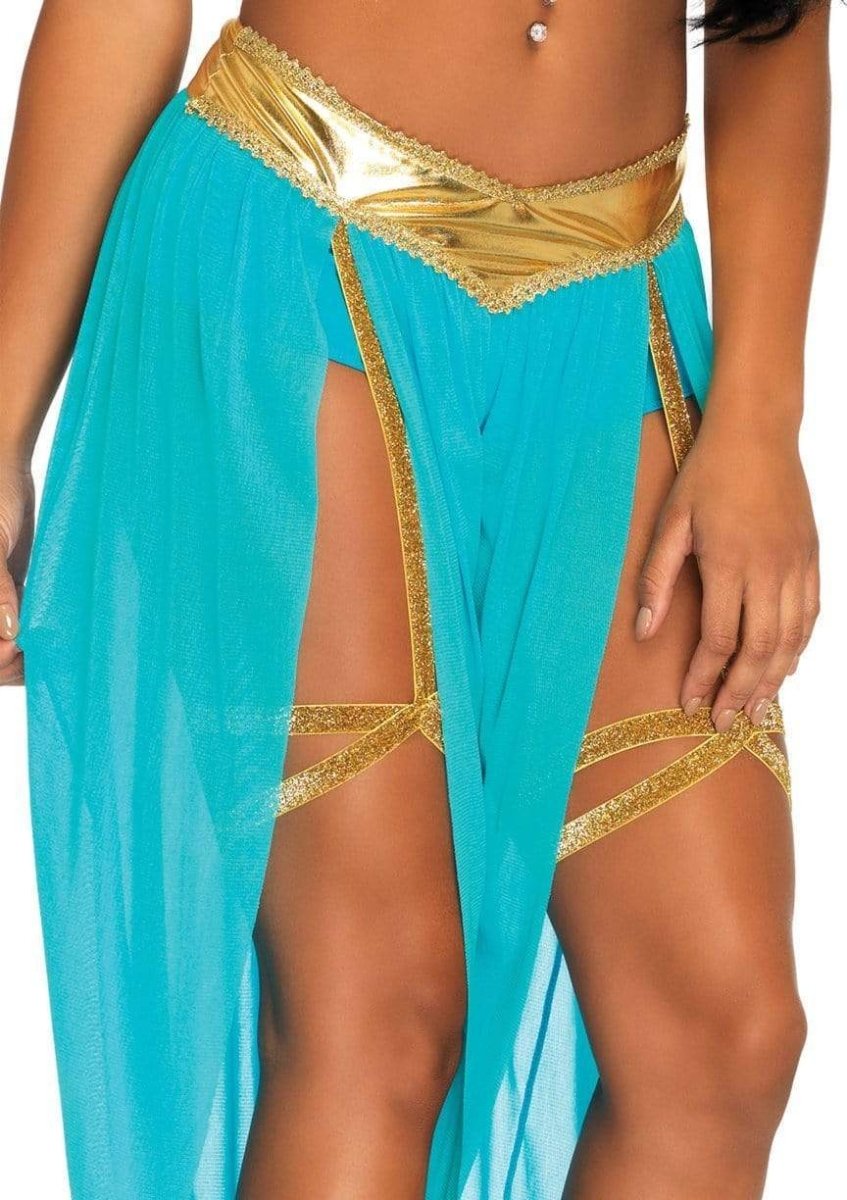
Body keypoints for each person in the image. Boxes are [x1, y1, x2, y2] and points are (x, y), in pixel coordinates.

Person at [0, 2, 830, 1197]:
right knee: (379, 1005)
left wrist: (759, 414)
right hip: (290, 250)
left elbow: (774, 22)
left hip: (613, 315)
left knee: (718, 1035)